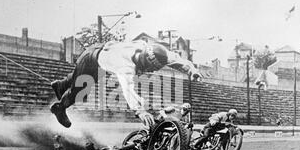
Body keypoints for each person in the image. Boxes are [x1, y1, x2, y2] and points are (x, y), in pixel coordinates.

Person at [50, 40, 202, 128]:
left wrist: (192, 70)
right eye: (149, 68)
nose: (150, 72)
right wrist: (140, 111)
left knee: (79, 77)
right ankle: (60, 108)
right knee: (80, 91)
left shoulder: (150, 49)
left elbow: (175, 59)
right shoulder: (125, 67)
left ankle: (61, 84)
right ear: (143, 61)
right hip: (91, 60)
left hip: (104, 53)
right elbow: (128, 89)